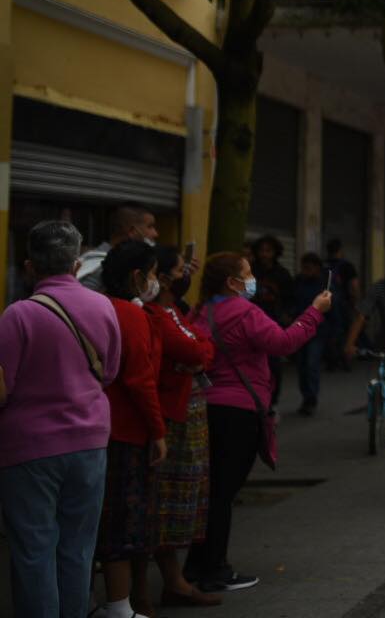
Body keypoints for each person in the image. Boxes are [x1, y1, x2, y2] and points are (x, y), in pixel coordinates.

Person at [0, 220, 122, 618]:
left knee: (34, 550)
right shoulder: (103, 306)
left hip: (28, 450)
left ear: (29, 267)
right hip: (89, 443)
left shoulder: (17, 316)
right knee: (78, 547)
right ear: (75, 265)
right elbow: (109, 372)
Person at [187, 251, 328, 593]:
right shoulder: (245, 312)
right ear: (232, 282)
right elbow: (283, 342)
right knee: (223, 493)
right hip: (239, 411)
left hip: (207, 407)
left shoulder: (200, 312)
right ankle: (214, 570)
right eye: (247, 274)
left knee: (213, 489)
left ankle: (196, 565)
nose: (253, 280)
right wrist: (314, 313)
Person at [96, 241, 169, 618]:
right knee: (122, 523)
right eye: (153, 272)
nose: (156, 280)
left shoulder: (95, 307)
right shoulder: (130, 315)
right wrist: (157, 431)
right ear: (138, 276)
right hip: (125, 432)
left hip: (94, 431)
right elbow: (141, 380)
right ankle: (120, 607)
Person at [144, 245, 218, 608]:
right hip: (170, 419)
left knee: (177, 504)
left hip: (187, 414)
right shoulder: (156, 312)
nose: (185, 274)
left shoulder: (175, 311)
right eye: (179, 269)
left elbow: (204, 348)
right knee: (162, 505)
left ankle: (174, 581)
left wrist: (198, 351)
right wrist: (197, 352)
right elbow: (195, 351)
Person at [247, 236, 294, 407]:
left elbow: (291, 299)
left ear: (275, 253)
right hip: (251, 323)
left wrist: (287, 316)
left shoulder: (282, 274)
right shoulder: (250, 272)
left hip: (274, 323)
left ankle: (272, 401)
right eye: (262, 251)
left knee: (274, 364)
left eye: (269, 251)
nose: (265, 255)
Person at [77, 202, 158, 294]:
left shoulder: (126, 262)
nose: (155, 234)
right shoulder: (97, 266)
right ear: (132, 231)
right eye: (150, 226)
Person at [291, 252, 330, 415]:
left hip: (317, 332)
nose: (306, 270)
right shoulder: (298, 282)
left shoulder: (324, 286)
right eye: (304, 267)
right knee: (302, 366)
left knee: (311, 364)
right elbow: (292, 301)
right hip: (300, 328)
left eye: (309, 267)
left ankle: (311, 397)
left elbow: (332, 309)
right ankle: (306, 396)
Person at [322, 239, 360, 371]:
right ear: (340, 250)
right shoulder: (347, 266)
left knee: (329, 331)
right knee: (344, 331)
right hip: (342, 303)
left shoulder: (323, 266)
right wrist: (354, 303)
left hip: (324, 302)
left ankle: (331, 361)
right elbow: (354, 286)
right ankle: (344, 359)